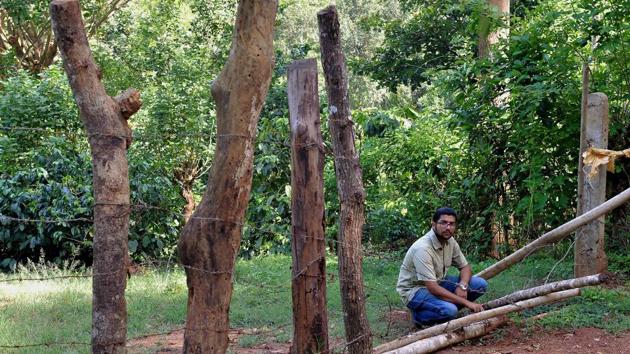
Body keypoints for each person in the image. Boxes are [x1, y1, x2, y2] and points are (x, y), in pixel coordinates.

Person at [396, 207, 488, 326]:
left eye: (451, 224)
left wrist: (463, 285)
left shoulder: (450, 241)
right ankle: (418, 317)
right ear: (434, 224)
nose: (448, 227)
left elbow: (465, 267)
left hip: (438, 282)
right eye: (443, 223)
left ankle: (442, 308)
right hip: (415, 291)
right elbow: (432, 287)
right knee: (450, 311)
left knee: (480, 284)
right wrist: (466, 303)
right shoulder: (423, 248)